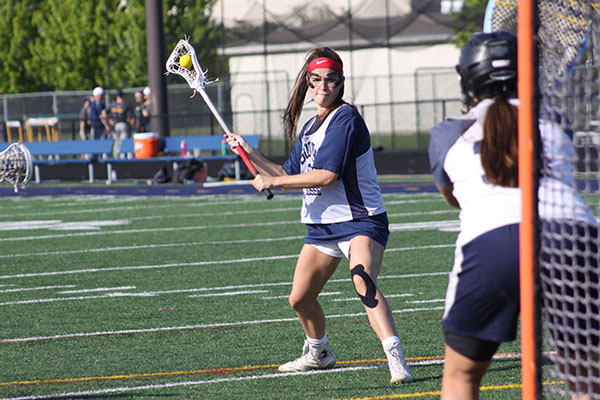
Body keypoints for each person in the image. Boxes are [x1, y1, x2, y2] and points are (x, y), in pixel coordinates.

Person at [225, 47, 413, 385]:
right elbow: (287, 172)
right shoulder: (311, 127)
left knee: (362, 280)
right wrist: (249, 152)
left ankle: (396, 358)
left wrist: (273, 181)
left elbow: (327, 175)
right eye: (316, 80)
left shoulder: (346, 119)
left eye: (331, 80)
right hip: (323, 227)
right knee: (299, 298)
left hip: (361, 220)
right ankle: (319, 352)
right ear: (309, 84)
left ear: (341, 83)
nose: (323, 86)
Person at [428, 31, 598, 400]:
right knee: (586, 377)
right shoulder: (555, 121)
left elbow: (454, 198)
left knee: (461, 377)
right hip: (574, 235)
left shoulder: (447, 133)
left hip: (494, 239)